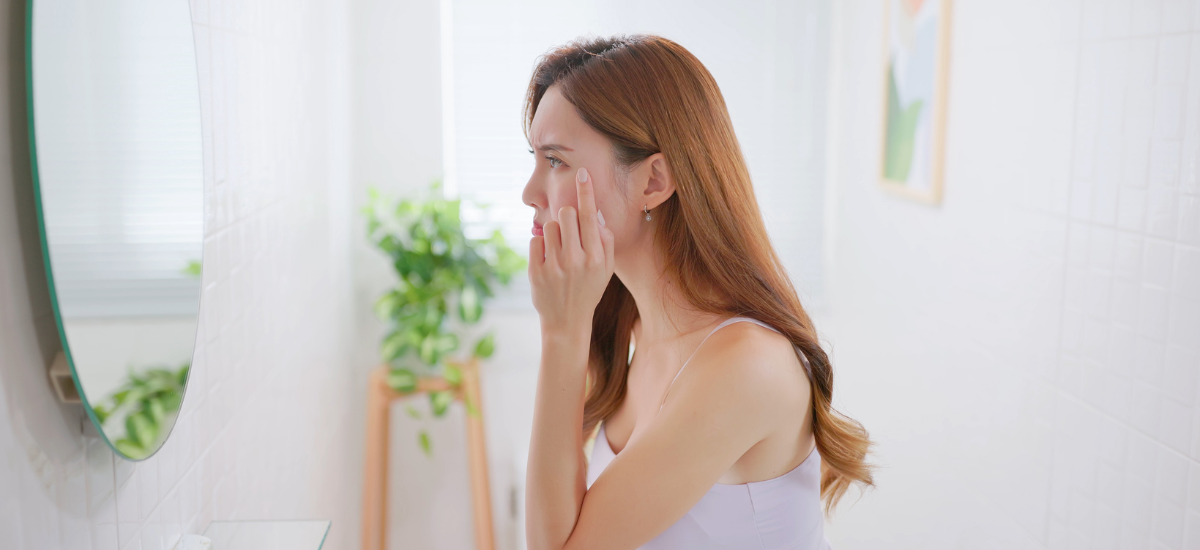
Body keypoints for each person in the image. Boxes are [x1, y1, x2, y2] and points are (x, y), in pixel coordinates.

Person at [521, 34, 872, 550]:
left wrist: (561, 331)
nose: (529, 193)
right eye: (535, 158)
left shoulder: (746, 367)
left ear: (653, 181)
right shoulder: (631, 325)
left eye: (555, 161)